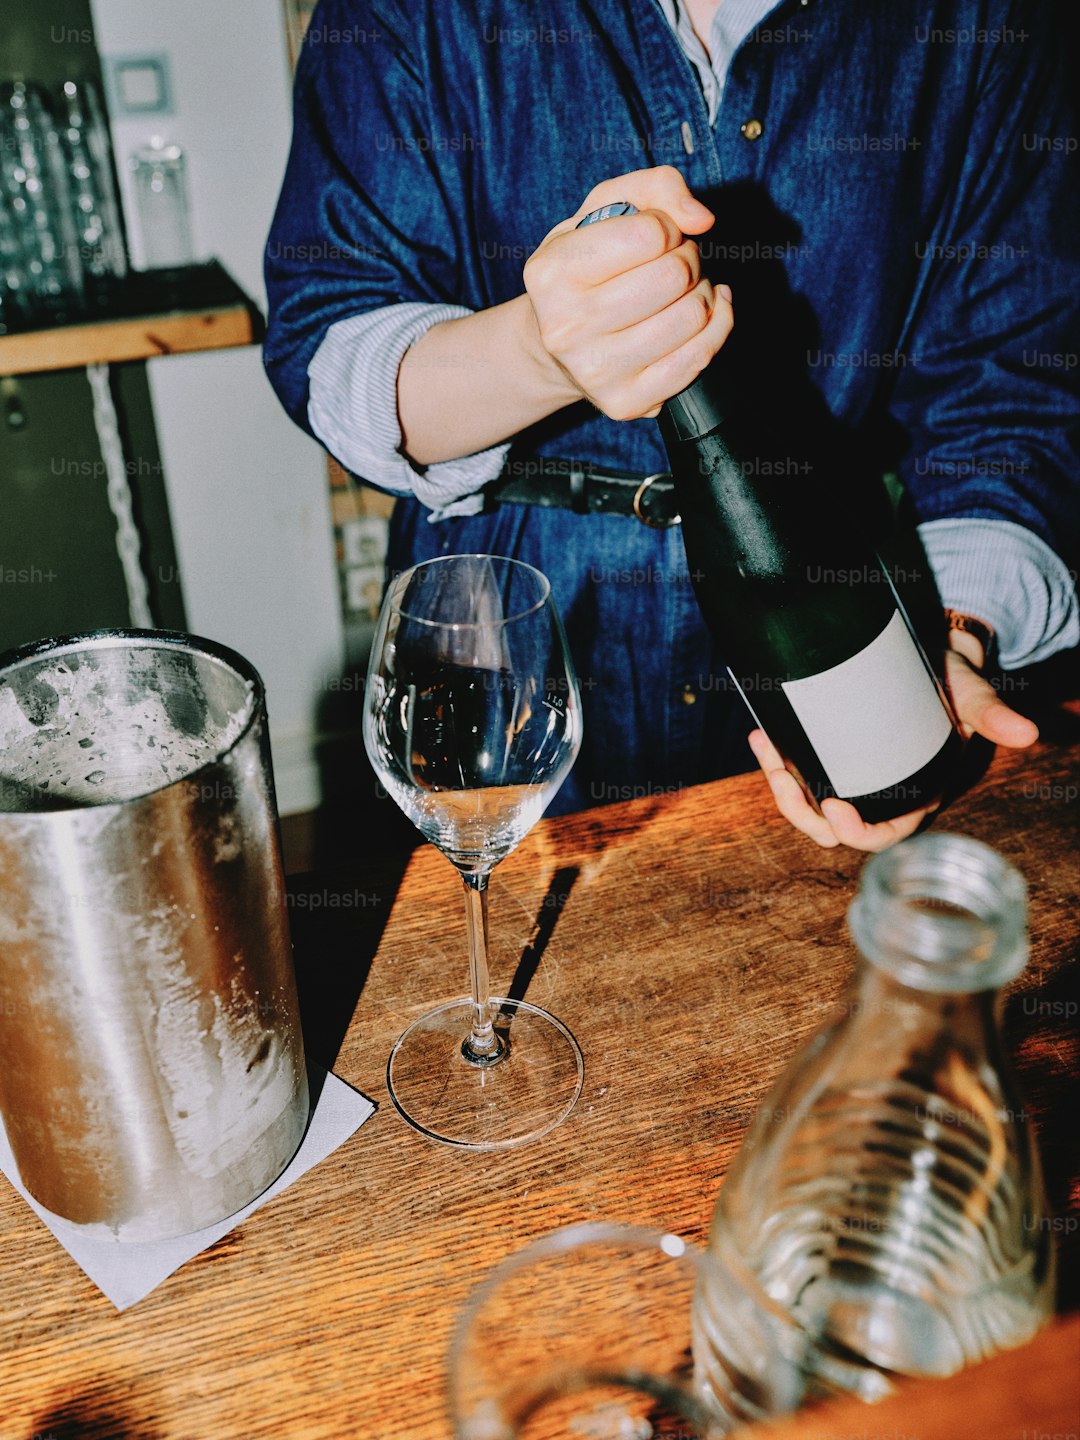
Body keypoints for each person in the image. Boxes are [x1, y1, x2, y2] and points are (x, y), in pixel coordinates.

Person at [263, 0, 1079, 850]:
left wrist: (946, 636)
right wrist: (537, 354)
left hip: (832, 606)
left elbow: (1013, 395)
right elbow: (327, 350)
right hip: (504, 636)